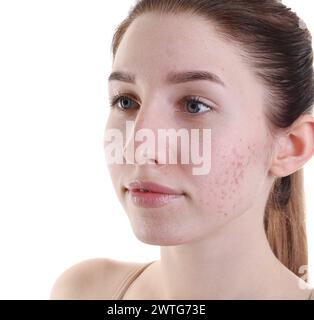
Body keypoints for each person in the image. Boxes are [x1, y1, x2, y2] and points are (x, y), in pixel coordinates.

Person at [50, 0, 314, 299]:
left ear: (291, 147)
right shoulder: (84, 291)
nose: (138, 145)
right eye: (126, 101)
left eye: (194, 105)